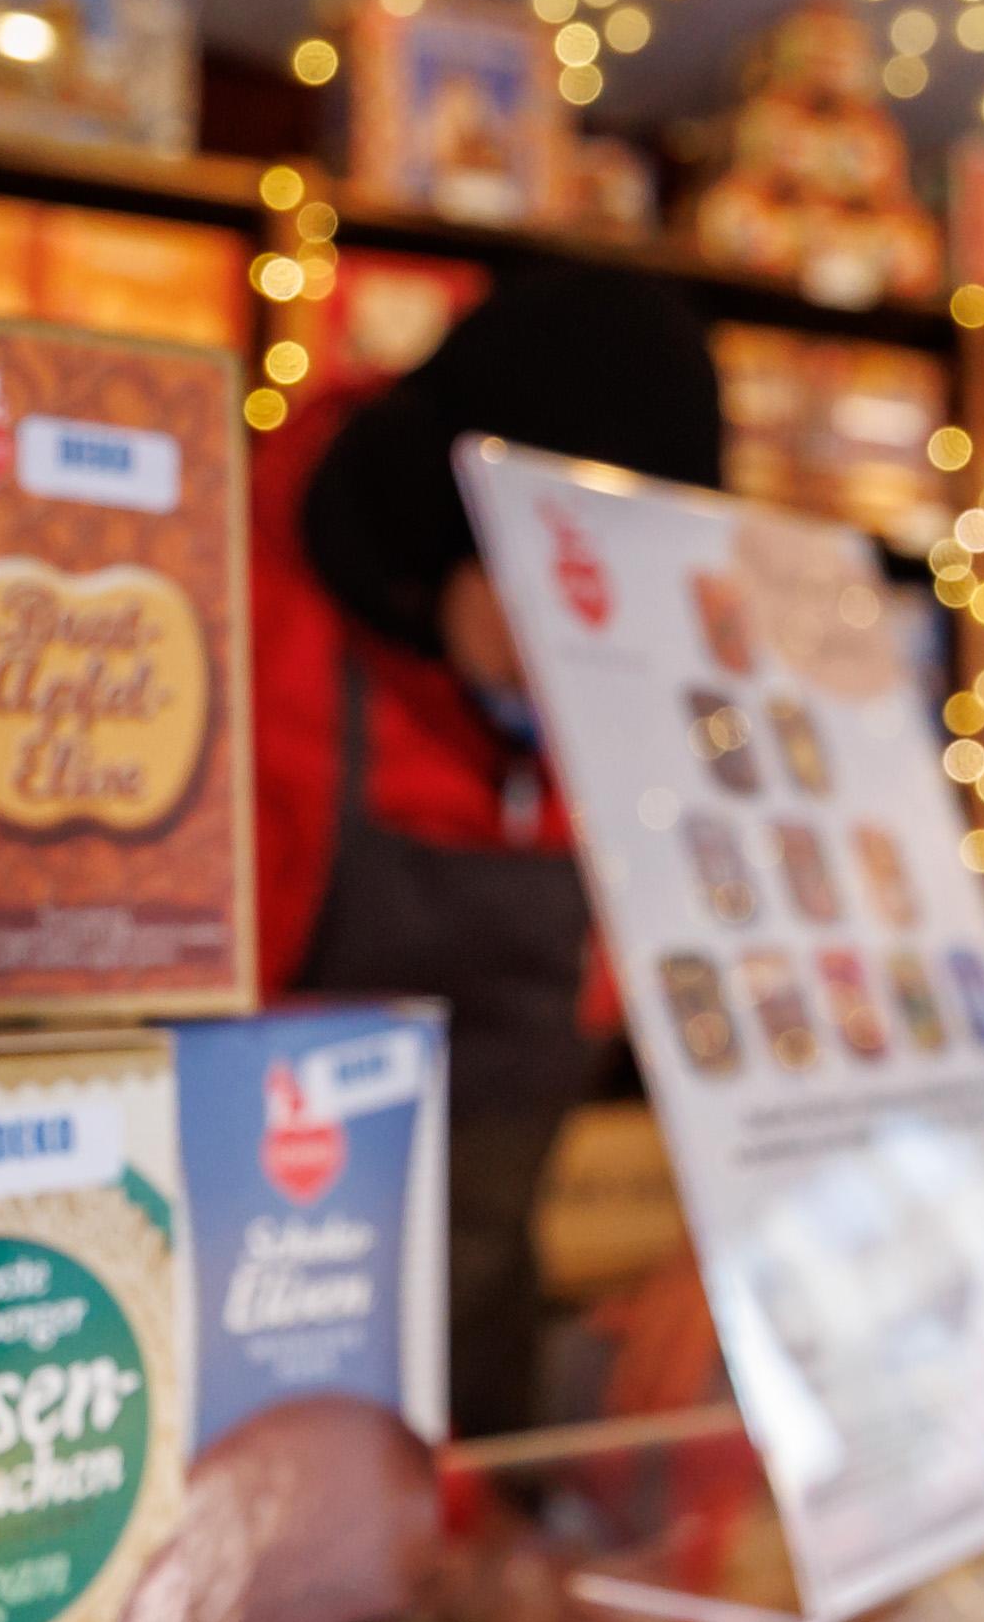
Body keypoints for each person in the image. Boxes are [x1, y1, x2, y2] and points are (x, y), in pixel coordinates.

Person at [254, 263, 726, 1433]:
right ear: (449, 525)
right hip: (244, 1332)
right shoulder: (252, 628)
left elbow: (775, 980)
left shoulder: (637, 692)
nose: (582, 654)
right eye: (557, 592)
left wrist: (743, 1233)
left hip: (478, 1371)